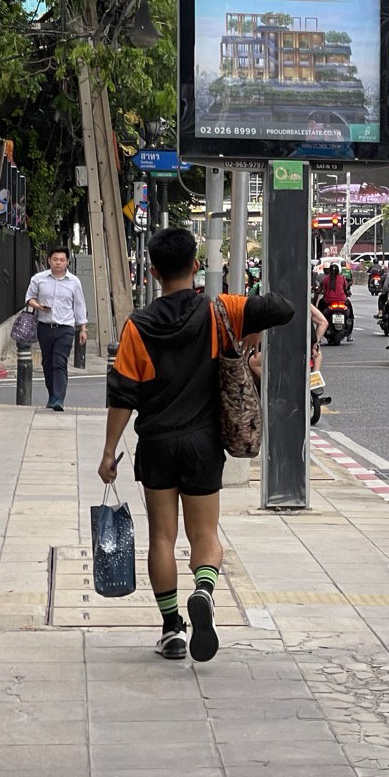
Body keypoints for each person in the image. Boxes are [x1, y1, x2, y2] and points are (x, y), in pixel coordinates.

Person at [99, 228, 293, 662]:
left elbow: (122, 395)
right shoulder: (221, 309)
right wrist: (250, 326)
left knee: (162, 538)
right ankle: (204, 590)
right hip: (204, 443)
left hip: (157, 445)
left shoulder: (138, 325)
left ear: (152, 271)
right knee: (205, 534)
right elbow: (283, 307)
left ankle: (171, 629)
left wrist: (110, 451)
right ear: (195, 267)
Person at [24, 246, 89, 411]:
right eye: (55, 259)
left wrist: (83, 328)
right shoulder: (39, 279)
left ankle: (59, 398)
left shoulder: (74, 282)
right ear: (49, 261)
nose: (58, 263)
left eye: (61, 260)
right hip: (45, 326)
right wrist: (38, 306)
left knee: (59, 362)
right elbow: (29, 298)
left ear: (67, 262)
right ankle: (52, 394)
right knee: (47, 362)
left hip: (65, 328)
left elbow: (79, 306)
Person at [315, 262, 354, 340]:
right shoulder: (342, 278)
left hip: (328, 301)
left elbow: (323, 290)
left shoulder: (325, 279)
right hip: (342, 301)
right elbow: (346, 288)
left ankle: (319, 327)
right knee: (350, 315)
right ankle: (349, 335)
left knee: (320, 310)